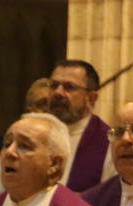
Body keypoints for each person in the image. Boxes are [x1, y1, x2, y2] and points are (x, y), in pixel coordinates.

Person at [48, 59, 115, 191]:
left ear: (91, 98)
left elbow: (108, 199)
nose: (58, 93)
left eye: (69, 87)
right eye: (54, 85)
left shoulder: (108, 142)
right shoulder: (31, 133)